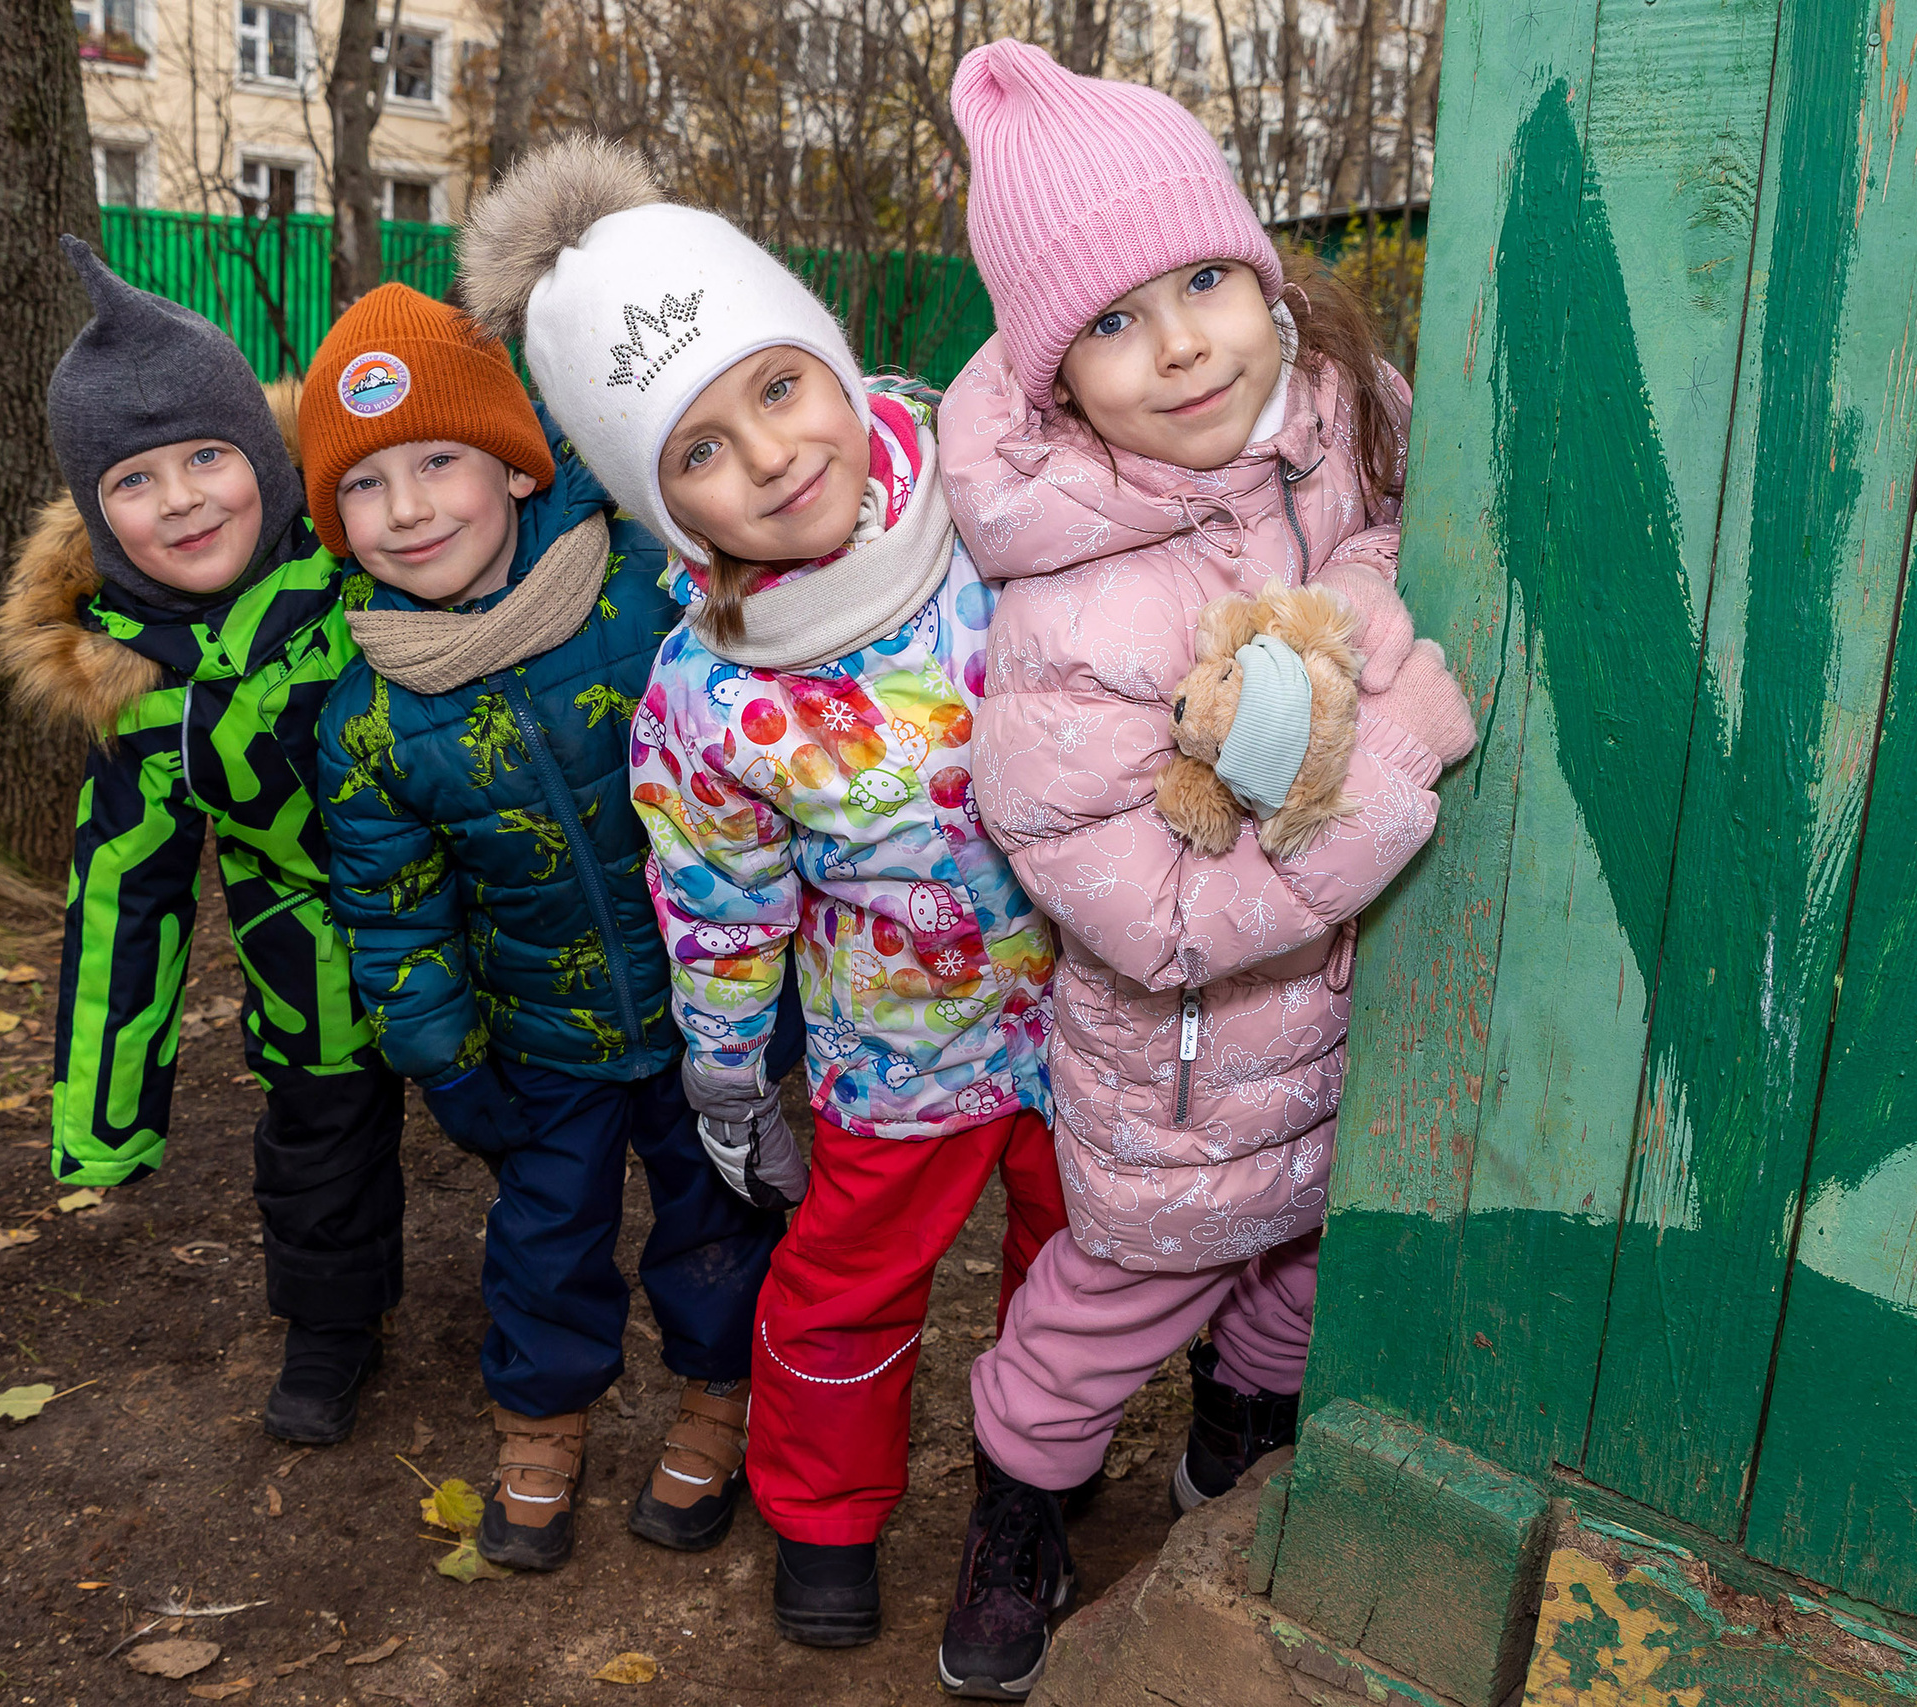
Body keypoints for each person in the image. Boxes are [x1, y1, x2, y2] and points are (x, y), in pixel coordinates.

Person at [456, 140, 1063, 1648]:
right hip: (896, 1049)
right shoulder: (709, 693)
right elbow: (720, 900)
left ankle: (1033, 1491)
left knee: (1075, 1267)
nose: (773, 455)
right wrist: (732, 1071)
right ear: (666, 511)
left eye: (778, 388)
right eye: (700, 449)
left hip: (1093, 1009)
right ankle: (824, 1513)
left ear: (835, 364)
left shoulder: (1004, 508)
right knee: (849, 1289)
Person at [928, 42, 1479, 1699]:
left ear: (1259, 267)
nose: (1177, 342)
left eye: (1202, 280)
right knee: (1106, 1309)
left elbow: (1395, 572)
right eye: (1108, 320)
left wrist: (1370, 624)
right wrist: (1385, 769)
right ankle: (1024, 1501)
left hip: (1369, 1027)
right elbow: (1149, 919)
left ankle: (1238, 1446)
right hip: (1185, 1075)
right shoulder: (1060, 616)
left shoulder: (1352, 422)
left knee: (1313, 1280)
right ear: (1051, 381)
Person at [306, 283, 782, 1573]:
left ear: (517, 466)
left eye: (439, 462)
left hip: (711, 1011)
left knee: (718, 1221)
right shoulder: (364, 715)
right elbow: (388, 910)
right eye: (364, 486)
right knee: (542, 1243)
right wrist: (445, 1060)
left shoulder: (648, 591)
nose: (405, 510)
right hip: (540, 1038)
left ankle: (716, 1397)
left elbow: (772, 750)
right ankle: (541, 1418)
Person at [0, 237, 405, 1453]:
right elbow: (122, 900)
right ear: (96, 514)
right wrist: (104, 1115)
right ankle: (333, 1328)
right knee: (319, 1143)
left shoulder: (371, 550)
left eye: (207, 457)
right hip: (309, 952)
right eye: (133, 481)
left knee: (542, 1128)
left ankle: (563, 1336)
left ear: (266, 456)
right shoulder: (141, 688)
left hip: (478, 917)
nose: (180, 500)